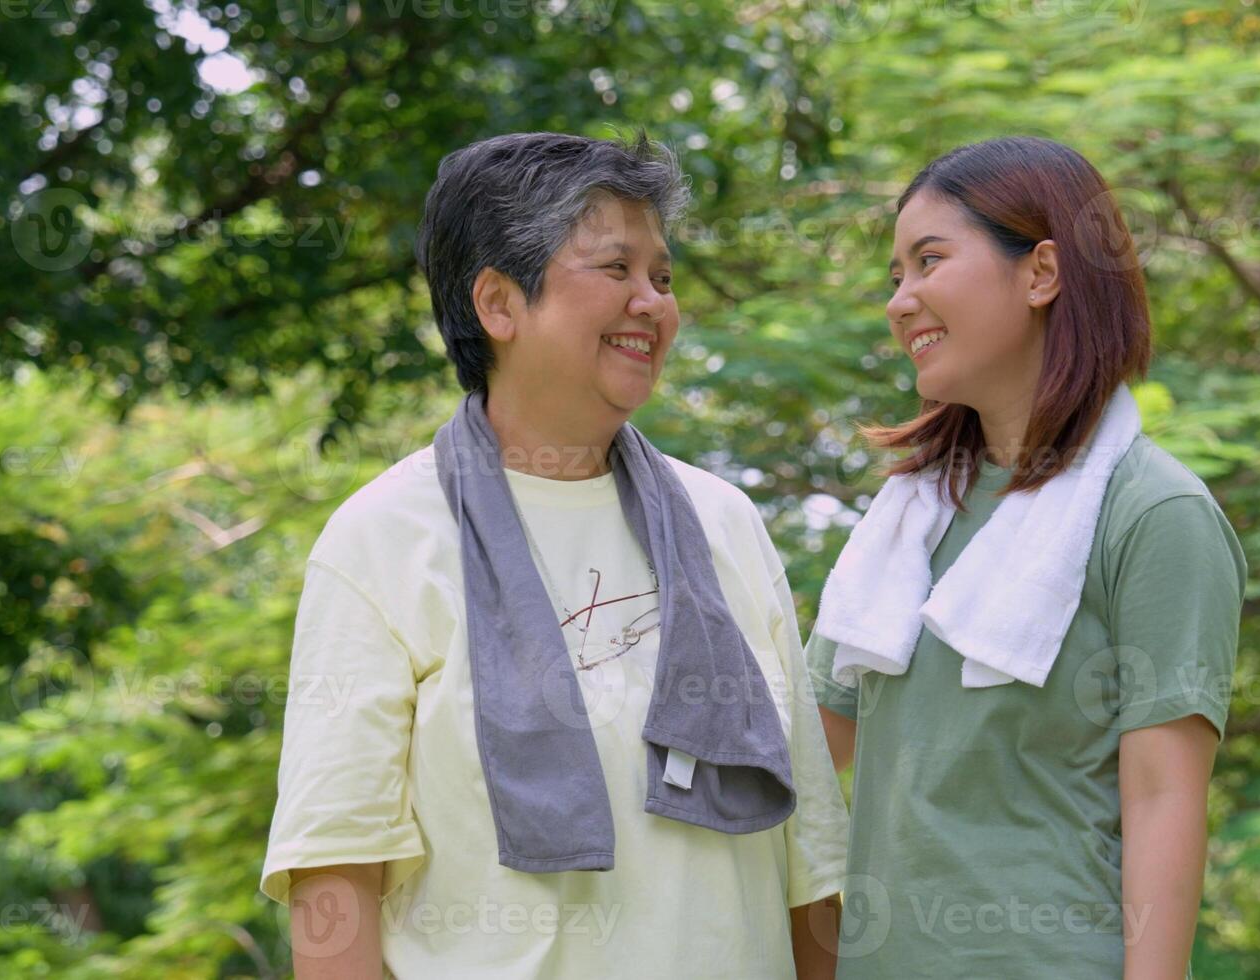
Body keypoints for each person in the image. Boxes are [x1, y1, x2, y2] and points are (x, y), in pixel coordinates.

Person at [259, 131, 848, 979]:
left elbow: (807, 866)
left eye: (664, 277)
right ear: (499, 304)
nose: (653, 302)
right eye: (616, 269)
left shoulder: (724, 523)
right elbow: (336, 873)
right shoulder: (386, 537)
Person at [806, 136, 1247, 979]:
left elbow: (1164, 800)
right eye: (895, 275)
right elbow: (797, 754)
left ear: (1042, 274)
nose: (901, 301)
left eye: (928, 260)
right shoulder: (908, 519)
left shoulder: (1155, 513)